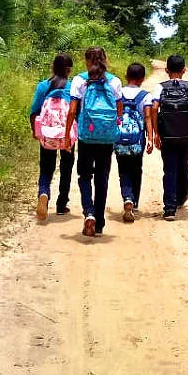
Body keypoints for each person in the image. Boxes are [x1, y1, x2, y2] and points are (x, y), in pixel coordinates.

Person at [64, 47, 124, 237]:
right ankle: (99, 223)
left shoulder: (80, 80)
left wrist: (67, 135)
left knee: (84, 176)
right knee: (102, 178)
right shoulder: (114, 81)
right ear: (106, 59)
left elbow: (72, 111)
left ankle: (89, 212)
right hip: (106, 138)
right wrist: (108, 126)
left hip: (86, 137)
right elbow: (119, 111)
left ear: (86, 61)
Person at [150, 55, 188, 221]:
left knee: (169, 168)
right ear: (184, 70)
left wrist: (156, 133)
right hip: (186, 135)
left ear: (166, 70)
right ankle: (182, 196)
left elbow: (154, 107)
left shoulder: (160, 87)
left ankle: (169, 209)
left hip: (167, 135)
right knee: (183, 164)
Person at [29, 52, 76, 221]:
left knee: (46, 167)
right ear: (69, 69)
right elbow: (76, 111)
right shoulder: (72, 87)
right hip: (66, 134)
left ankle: (43, 193)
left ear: (53, 67)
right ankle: (62, 204)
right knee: (66, 166)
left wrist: (35, 131)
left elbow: (34, 111)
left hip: (47, 133)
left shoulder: (43, 86)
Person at [115, 62, 154, 224]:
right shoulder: (146, 96)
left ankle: (127, 197)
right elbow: (148, 118)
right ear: (142, 79)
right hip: (138, 139)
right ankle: (135, 203)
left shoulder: (118, 93)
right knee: (136, 169)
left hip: (119, 137)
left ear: (126, 76)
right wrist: (151, 138)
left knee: (123, 170)